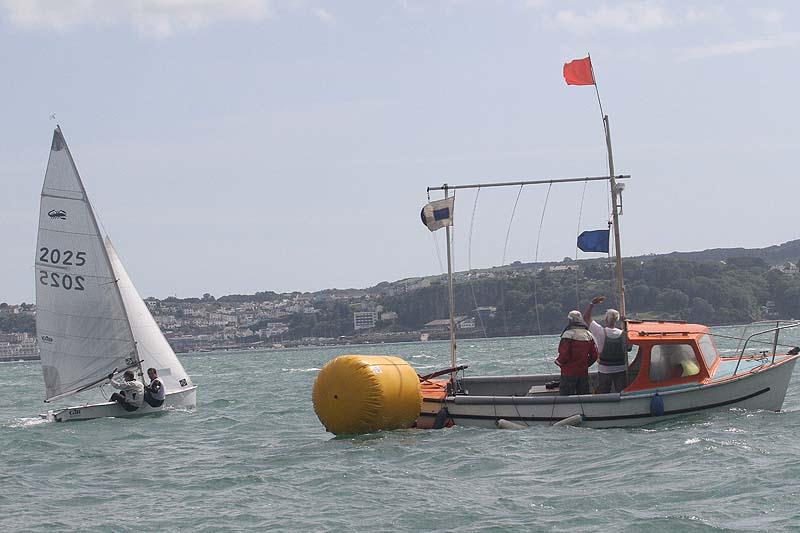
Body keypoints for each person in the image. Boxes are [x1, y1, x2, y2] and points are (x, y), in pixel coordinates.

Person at [584, 295, 627, 393]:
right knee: (622, 392)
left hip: (605, 369)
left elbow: (586, 318)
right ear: (616, 320)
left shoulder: (600, 331)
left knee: (603, 392)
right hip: (621, 368)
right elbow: (628, 349)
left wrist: (591, 304)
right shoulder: (623, 333)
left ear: (606, 319)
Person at [555, 310, 599, 396]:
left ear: (570, 320)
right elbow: (595, 355)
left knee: (566, 397)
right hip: (583, 372)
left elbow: (564, 354)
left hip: (568, 372)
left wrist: (558, 362)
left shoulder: (568, 334)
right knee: (583, 396)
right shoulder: (588, 334)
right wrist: (585, 364)